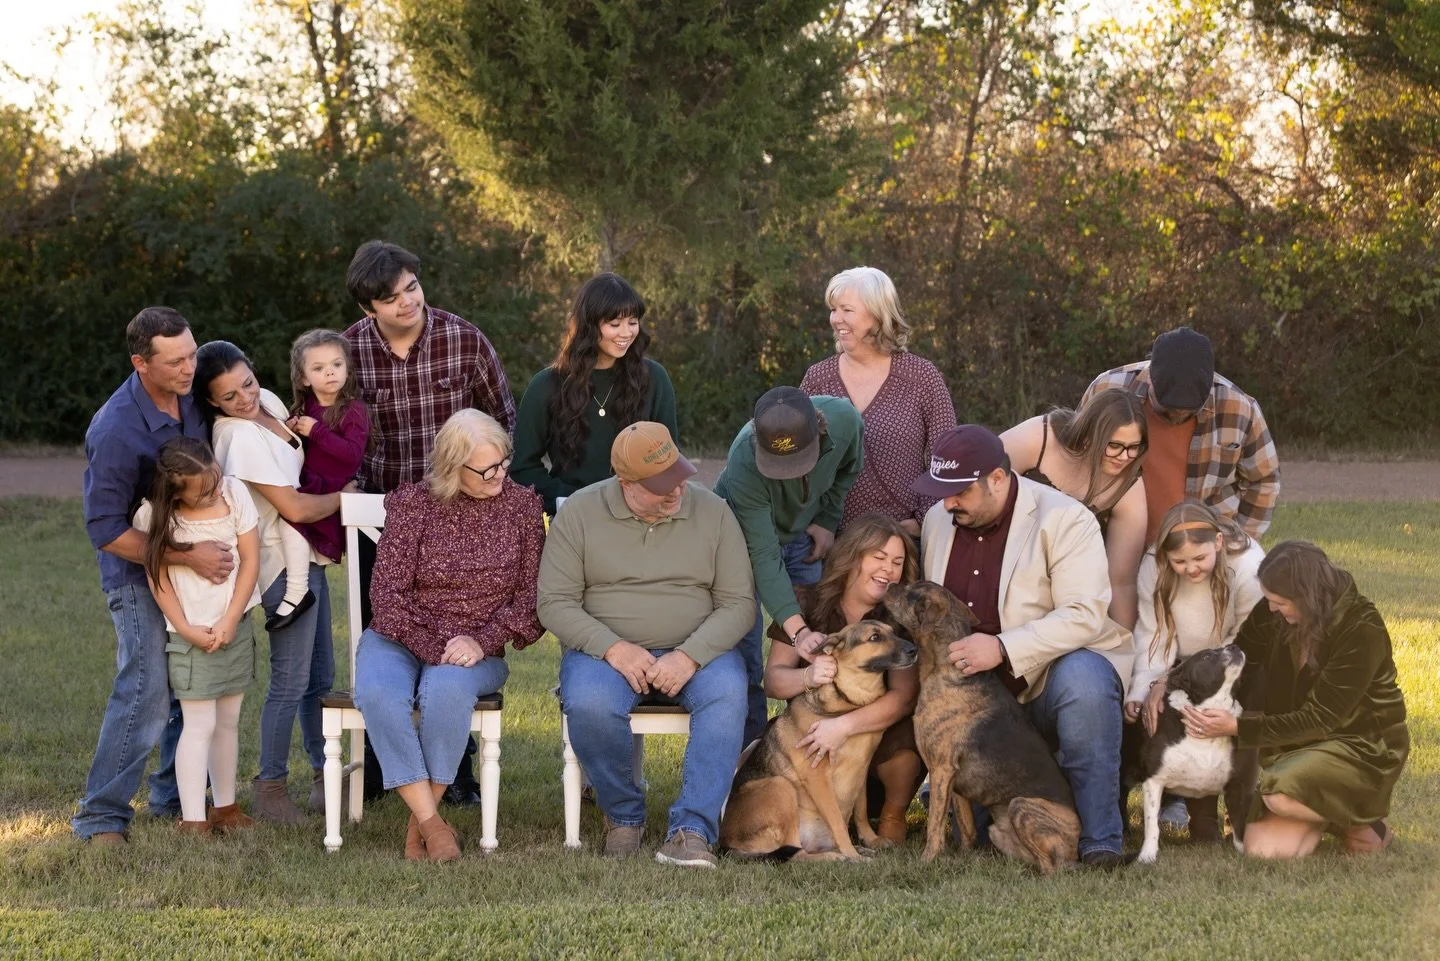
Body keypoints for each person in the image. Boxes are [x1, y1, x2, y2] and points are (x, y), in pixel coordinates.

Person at [343, 240, 515, 805]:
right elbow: (336, 429)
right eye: (391, 298)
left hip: (463, 518)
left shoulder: (464, 341)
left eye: (412, 287)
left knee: (456, 642)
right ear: (369, 307)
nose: (408, 301)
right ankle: (383, 765)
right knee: (386, 636)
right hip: (382, 517)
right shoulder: (350, 352)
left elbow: (502, 419)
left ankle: (454, 770)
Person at [914, 425, 1133, 867]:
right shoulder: (939, 519)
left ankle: (1100, 841)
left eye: (959, 492)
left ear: (997, 478)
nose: (947, 503)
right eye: (942, 492)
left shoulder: (1065, 519)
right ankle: (972, 824)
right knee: (985, 840)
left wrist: (1002, 647)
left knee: (1086, 682)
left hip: (1046, 680)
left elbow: (1084, 614)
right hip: (978, 705)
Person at [540, 423, 753, 868]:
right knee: (590, 702)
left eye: (678, 476)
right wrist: (614, 648)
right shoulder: (579, 513)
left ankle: (693, 830)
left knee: (729, 693)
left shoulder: (714, 513)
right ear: (625, 483)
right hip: (606, 652)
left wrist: (689, 656)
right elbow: (555, 603)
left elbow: (738, 605)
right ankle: (622, 815)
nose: (676, 490)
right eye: (660, 485)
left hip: (696, 649)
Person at [355, 410, 544, 862]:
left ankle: (420, 822)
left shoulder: (521, 508)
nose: (500, 475)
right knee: (378, 692)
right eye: (486, 470)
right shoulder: (415, 505)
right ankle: (431, 824)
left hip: (476, 649)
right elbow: (387, 596)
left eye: (503, 463)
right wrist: (435, 647)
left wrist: (482, 640)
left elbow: (532, 602)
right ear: (452, 467)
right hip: (400, 637)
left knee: (445, 689)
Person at [73, 308, 221, 844]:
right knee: (147, 687)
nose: (189, 368)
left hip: (193, 568)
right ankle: (101, 816)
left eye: (192, 354)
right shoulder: (115, 428)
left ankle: (174, 797)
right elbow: (105, 529)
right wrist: (186, 555)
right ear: (141, 363)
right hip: (136, 571)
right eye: (175, 361)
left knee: (193, 681)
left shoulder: (195, 392)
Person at [1177, 541, 1408, 860]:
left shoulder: (1361, 627)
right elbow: (1243, 658)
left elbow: (1321, 719)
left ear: (1307, 598)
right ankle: (1332, 813)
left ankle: (1361, 816)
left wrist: (1238, 727)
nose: (1271, 608)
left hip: (1361, 746)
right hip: (1295, 747)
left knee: (1281, 795)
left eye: (1280, 602)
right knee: (1263, 850)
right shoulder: (1275, 611)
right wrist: (1174, 683)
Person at [195, 340, 342, 823]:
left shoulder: (273, 404)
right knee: (291, 678)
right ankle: (270, 786)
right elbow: (294, 507)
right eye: (229, 396)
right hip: (279, 566)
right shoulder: (235, 437)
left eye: (248, 383)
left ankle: (324, 776)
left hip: (309, 555)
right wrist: (347, 498)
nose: (245, 398)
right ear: (212, 402)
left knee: (320, 677)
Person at [762, 513, 925, 845]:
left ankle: (890, 816)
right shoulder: (805, 602)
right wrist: (808, 676)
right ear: (852, 556)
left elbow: (904, 697)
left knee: (910, 740)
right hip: (811, 745)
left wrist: (842, 727)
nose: (888, 570)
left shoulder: (899, 617)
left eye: (897, 562)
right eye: (879, 558)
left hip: (872, 751)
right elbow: (774, 681)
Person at [714, 387, 864, 745]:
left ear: (820, 431)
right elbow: (764, 555)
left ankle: (803, 740)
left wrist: (827, 520)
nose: (786, 474)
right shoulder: (744, 461)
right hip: (742, 538)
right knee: (745, 647)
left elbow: (848, 469)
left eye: (796, 462)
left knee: (818, 630)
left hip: (802, 534)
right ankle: (750, 750)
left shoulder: (845, 421)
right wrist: (797, 632)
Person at [134, 437, 261, 836]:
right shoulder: (155, 517)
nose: (216, 491)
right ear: (176, 496)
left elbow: (251, 559)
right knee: (199, 724)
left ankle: (226, 807)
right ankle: (193, 819)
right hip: (191, 638)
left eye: (216, 480)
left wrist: (231, 620)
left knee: (229, 722)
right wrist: (186, 629)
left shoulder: (235, 493)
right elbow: (158, 580)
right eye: (205, 492)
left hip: (234, 626)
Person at [1124, 500, 1265, 841]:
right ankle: (1197, 813)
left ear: (1218, 541)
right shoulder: (1153, 565)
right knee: (1163, 714)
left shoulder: (1248, 565)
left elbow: (1248, 637)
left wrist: (1175, 678)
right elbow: (1154, 632)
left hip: (1240, 661)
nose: (1190, 569)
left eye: (1200, 558)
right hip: (1181, 662)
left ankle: (1237, 809)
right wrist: (1145, 687)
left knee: (1224, 717)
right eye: (1180, 562)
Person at [1081, 326, 1280, 542]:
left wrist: (1239, 543)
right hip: (1114, 536)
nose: (1178, 414)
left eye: (1189, 409)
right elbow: (1075, 458)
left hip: (1205, 544)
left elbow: (1264, 480)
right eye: (1168, 407)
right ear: (1150, 378)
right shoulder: (1105, 390)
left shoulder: (1240, 409)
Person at [799, 266, 956, 534]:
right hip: (833, 540)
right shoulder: (817, 379)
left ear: (877, 314)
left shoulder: (921, 377)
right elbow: (797, 460)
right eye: (834, 309)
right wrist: (815, 524)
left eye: (847, 310)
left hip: (902, 539)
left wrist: (924, 520)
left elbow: (948, 457)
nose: (836, 319)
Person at [512, 272, 678, 516]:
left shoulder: (655, 378)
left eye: (632, 322)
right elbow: (522, 468)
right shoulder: (546, 385)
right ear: (589, 325)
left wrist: (645, 500)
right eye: (615, 324)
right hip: (574, 515)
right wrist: (574, 500)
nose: (626, 333)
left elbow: (669, 458)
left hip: (641, 515)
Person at [1001, 391, 1149, 630]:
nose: (1125, 457)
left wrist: (1127, 642)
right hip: (1006, 572)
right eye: (1115, 445)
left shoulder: (1129, 487)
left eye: (1134, 447)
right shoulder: (1041, 437)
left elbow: (1121, 581)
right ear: (1090, 436)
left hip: (1069, 598)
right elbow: (982, 479)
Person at [286, 328, 370, 565]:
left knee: (316, 558)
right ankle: (298, 586)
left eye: (336, 364)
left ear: (347, 368)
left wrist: (316, 431)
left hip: (332, 493)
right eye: (318, 368)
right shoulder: (306, 408)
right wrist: (293, 430)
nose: (330, 372)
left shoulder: (354, 410)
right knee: (293, 541)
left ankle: (306, 586)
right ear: (304, 378)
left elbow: (353, 454)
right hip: (307, 491)